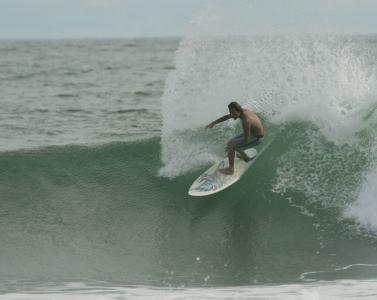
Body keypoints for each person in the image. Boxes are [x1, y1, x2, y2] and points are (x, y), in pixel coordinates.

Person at [206, 101, 264, 175]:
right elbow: (227, 117)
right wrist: (213, 123)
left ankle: (231, 169)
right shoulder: (241, 112)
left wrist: (232, 146)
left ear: (238, 111)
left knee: (231, 146)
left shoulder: (246, 121)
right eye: (230, 112)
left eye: (233, 113)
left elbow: (245, 140)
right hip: (252, 133)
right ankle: (245, 157)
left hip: (257, 138)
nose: (231, 115)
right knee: (230, 143)